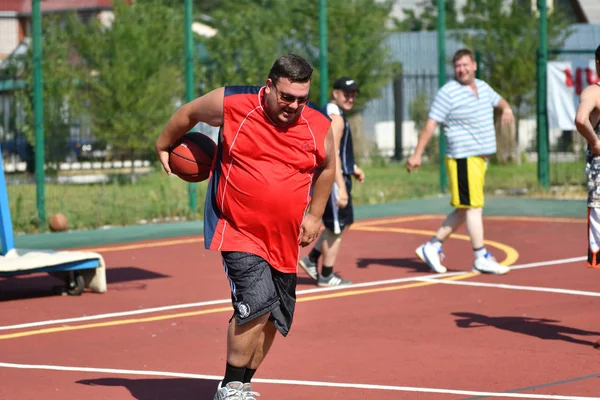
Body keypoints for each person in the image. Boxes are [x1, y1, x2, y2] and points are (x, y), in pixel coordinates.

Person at [154, 54, 336, 400]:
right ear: (269, 87)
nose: (294, 106)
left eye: (302, 99)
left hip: (284, 238)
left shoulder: (316, 124)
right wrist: (163, 145)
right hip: (237, 228)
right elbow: (189, 113)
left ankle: (244, 383)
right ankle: (230, 386)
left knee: (276, 317)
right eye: (286, 97)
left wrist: (315, 215)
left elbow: (327, 166)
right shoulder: (233, 103)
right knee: (256, 300)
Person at [406, 48, 514, 275]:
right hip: (463, 158)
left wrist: (506, 108)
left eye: (465, 65)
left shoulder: (483, 87)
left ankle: (432, 246)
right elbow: (430, 124)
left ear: (474, 65)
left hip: (480, 159)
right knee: (474, 208)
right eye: (458, 66)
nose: (462, 69)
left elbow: (500, 100)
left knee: (465, 210)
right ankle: (480, 256)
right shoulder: (448, 93)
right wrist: (417, 154)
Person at [298, 77, 365, 287]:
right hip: (334, 180)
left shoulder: (331, 113)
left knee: (342, 224)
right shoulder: (335, 117)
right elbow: (331, 153)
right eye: (346, 93)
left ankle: (311, 259)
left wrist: (353, 168)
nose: (350, 97)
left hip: (338, 175)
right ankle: (326, 275)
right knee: (335, 227)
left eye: (353, 93)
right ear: (335, 93)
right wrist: (342, 188)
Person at [574, 45, 600, 269]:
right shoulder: (594, 93)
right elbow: (581, 119)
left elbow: (581, 120)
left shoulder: (594, 92)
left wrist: (595, 141)